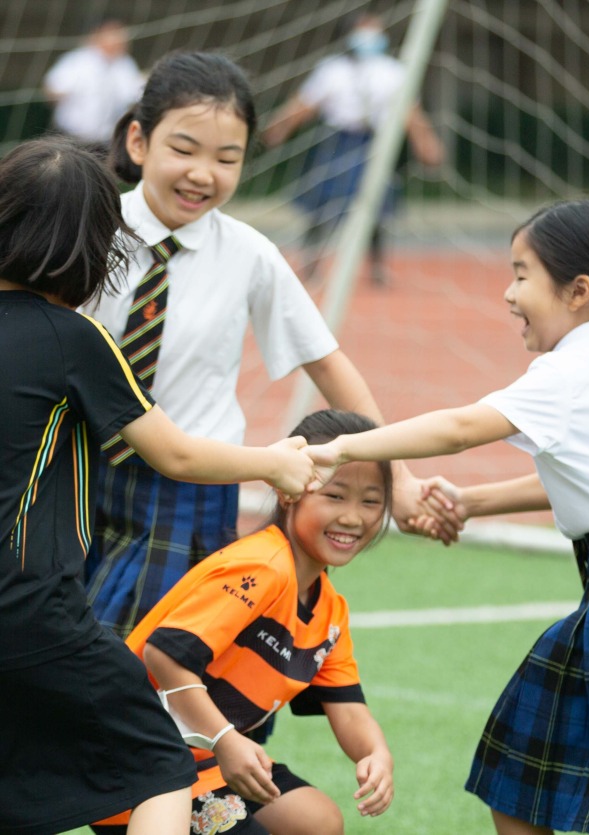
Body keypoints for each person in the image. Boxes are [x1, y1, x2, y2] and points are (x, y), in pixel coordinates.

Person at [307, 198, 589, 835]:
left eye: (522, 274)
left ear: (578, 290)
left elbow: (460, 428)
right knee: (524, 762)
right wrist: (471, 503)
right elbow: (585, 482)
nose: (508, 292)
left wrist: (342, 446)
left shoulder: (573, 368)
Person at [82, 50, 459, 646]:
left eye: (226, 158)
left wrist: (399, 475)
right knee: (62, 665)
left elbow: (328, 363)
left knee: (169, 675)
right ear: (137, 140)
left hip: (192, 494)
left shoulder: (250, 254)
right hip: (75, 476)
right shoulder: (87, 227)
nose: (203, 173)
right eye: (184, 149)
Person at [0, 137, 319, 835]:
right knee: (161, 765)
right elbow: (173, 453)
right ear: (89, 250)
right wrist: (274, 461)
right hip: (34, 610)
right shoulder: (72, 337)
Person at [91, 409, 394, 835]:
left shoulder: (330, 610)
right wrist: (225, 740)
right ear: (289, 492)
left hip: (204, 758)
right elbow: (164, 654)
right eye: (335, 495)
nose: (353, 516)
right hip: (136, 757)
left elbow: (348, 708)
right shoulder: (263, 566)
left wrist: (376, 753)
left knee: (318, 821)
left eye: (371, 501)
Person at [262, 12, 444, 285]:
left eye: (375, 30)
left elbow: (411, 113)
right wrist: (278, 128)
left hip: (373, 143)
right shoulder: (332, 69)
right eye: (363, 31)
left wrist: (426, 144)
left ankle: (377, 267)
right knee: (323, 205)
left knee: (375, 205)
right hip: (338, 140)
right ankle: (311, 261)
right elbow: (303, 105)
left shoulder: (393, 71)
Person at [42, 17, 145, 150]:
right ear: (98, 35)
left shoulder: (125, 64)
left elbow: (134, 94)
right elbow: (52, 89)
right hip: (71, 137)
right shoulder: (77, 60)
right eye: (113, 34)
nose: (120, 39)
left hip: (107, 140)